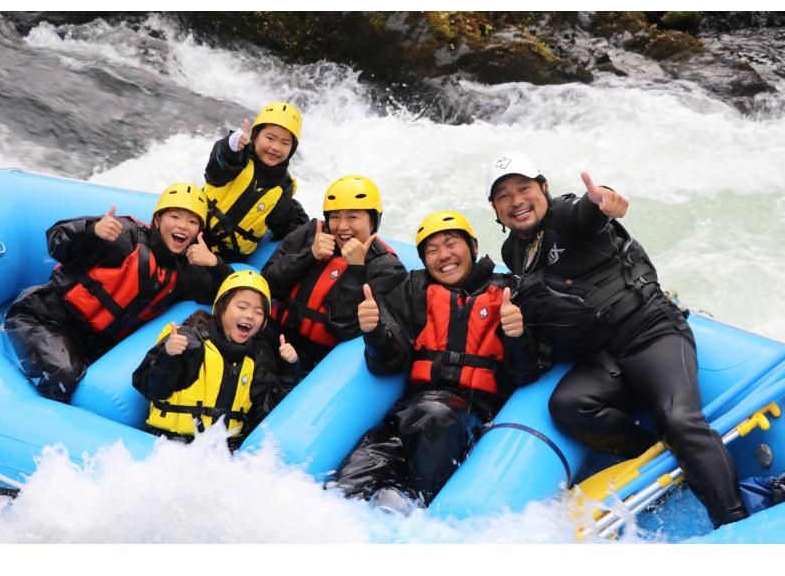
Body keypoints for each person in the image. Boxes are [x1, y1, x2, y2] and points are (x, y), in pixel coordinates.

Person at [485, 151, 748, 528]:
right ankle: (650, 454)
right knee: (569, 404)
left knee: (679, 417)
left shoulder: (566, 216)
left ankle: (734, 523)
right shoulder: (515, 252)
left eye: (524, 188)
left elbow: (589, 211)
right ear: (495, 209)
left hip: (651, 332)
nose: (516, 201)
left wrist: (603, 199)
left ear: (544, 188)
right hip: (605, 356)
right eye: (504, 196)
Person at [330, 211, 539, 512]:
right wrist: (375, 332)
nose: (444, 256)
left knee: (436, 416)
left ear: (474, 247)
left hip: (471, 416)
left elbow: (526, 371)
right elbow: (388, 362)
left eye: (451, 244)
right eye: (432, 250)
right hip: (408, 415)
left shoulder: (509, 291)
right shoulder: (414, 289)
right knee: (344, 490)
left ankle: (418, 508)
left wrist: (517, 335)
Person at [4, 183, 233, 403]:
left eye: (192, 222)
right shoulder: (123, 236)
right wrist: (91, 231)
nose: (183, 226)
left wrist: (214, 264)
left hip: (90, 344)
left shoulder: (185, 274)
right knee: (62, 376)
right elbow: (55, 240)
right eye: (175, 217)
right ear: (157, 219)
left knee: (75, 379)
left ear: (198, 233)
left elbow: (227, 296)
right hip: (44, 317)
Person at [261, 175, 407, 379]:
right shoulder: (312, 232)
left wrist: (356, 269)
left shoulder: (387, 269)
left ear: (373, 222)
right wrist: (309, 255)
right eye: (335, 216)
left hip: (315, 360)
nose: (342, 226)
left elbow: (342, 329)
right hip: (272, 335)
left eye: (353, 217)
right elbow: (268, 285)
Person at [132, 270, 294, 449]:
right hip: (170, 444)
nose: (250, 315)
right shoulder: (190, 342)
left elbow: (264, 415)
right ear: (222, 307)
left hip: (222, 454)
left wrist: (289, 370)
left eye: (258, 312)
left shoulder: (256, 360)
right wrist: (167, 356)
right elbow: (151, 389)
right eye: (242, 307)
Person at [203, 101, 309, 262]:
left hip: (228, 257)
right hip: (195, 232)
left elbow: (287, 223)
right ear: (255, 136)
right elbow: (216, 170)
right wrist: (228, 148)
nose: (276, 147)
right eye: (270, 138)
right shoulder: (237, 156)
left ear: (291, 150)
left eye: (285, 143)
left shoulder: (283, 188)